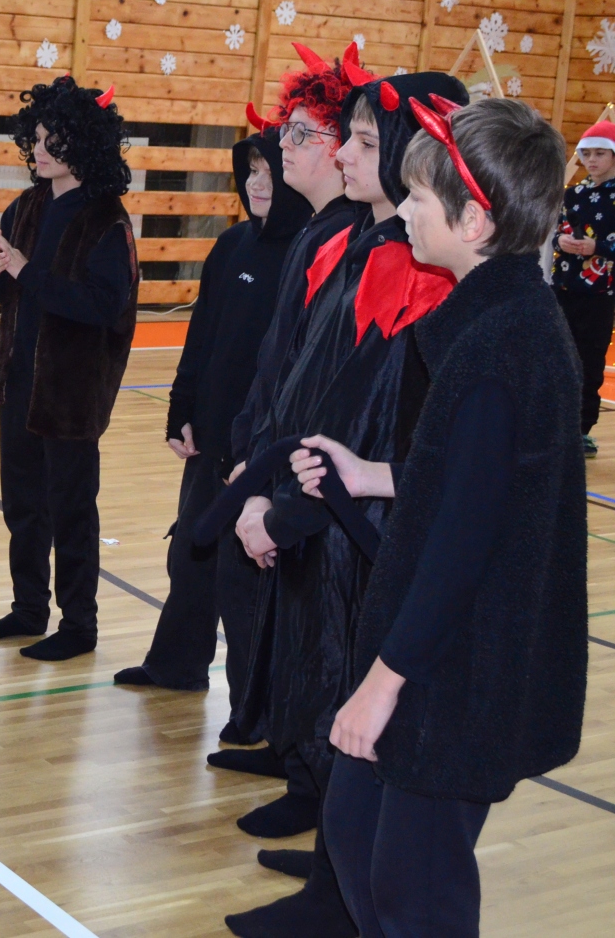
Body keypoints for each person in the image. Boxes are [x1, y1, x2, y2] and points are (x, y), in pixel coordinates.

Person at [290, 97, 585, 938]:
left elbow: (464, 546)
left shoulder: (502, 348)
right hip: (439, 658)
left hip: (456, 672)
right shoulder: (495, 324)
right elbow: (473, 481)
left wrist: (380, 687)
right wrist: (372, 475)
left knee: (417, 895)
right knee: (354, 832)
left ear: (475, 222)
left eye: (420, 197)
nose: (407, 210)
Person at [223, 70, 470, 938]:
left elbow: (360, 416)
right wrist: (264, 484)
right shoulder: (357, 242)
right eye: (351, 138)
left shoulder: (412, 269)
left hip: (359, 528)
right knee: (315, 682)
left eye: (366, 142)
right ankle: (334, 868)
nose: (346, 155)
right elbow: (298, 379)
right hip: (320, 505)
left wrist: (284, 507)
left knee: (341, 692)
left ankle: (337, 891)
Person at [203, 46, 368, 808]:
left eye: (303, 134)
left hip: (313, 475)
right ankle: (285, 747)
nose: (284, 146)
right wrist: (251, 447)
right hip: (275, 451)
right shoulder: (318, 229)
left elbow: (321, 377)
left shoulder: (348, 236)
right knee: (277, 618)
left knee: (316, 629)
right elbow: (280, 361)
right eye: (286, 132)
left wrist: (272, 471)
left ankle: (312, 781)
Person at [113, 129, 311, 721]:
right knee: (190, 554)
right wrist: (182, 408)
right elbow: (202, 335)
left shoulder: (307, 253)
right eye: (250, 171)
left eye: (269, 172)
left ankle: (253, 713)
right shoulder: (231, 246)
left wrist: (258, 443)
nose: (256, 182)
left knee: (242, 578)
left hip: (261, 443)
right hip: (212, 431)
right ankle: (175, 665)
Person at [0, 77, 138, 662]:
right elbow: (8, 293)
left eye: (53, 140)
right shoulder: (27, 205)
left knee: (71, 511)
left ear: (84, 144)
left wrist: (25, 271)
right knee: (22, 505)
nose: (39, 150)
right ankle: (28, 609)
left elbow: (102, 307)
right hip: (19, 379)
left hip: (69, 393)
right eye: (37, 138)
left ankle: (79, 625)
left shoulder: (107, 222)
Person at [550, 119, 615, 456]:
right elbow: (555, 231)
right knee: (557, 357)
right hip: (563, 288)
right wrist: (560, 241)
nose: (591, 160)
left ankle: (581, 429)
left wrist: (598, 248)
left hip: (599, 295)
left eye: (600, 154)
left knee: (589, 362)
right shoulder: (573, 194)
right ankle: (552, 423)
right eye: (586, 154)